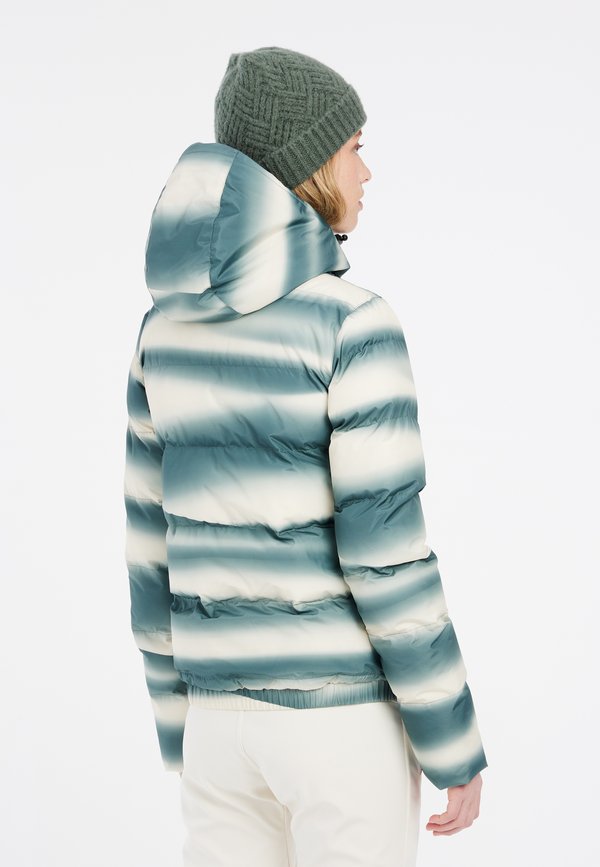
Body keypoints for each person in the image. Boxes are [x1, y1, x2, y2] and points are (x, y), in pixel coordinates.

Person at [123, 45, 488, 867]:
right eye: (354, 146)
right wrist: (451, 739)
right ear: (309, 163)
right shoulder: (351, 323)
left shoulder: (161, 331)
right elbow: (386, 556)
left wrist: (181, 724)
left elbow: (149, 548)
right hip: (337, 723)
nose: (368, 171)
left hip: (217, 723)